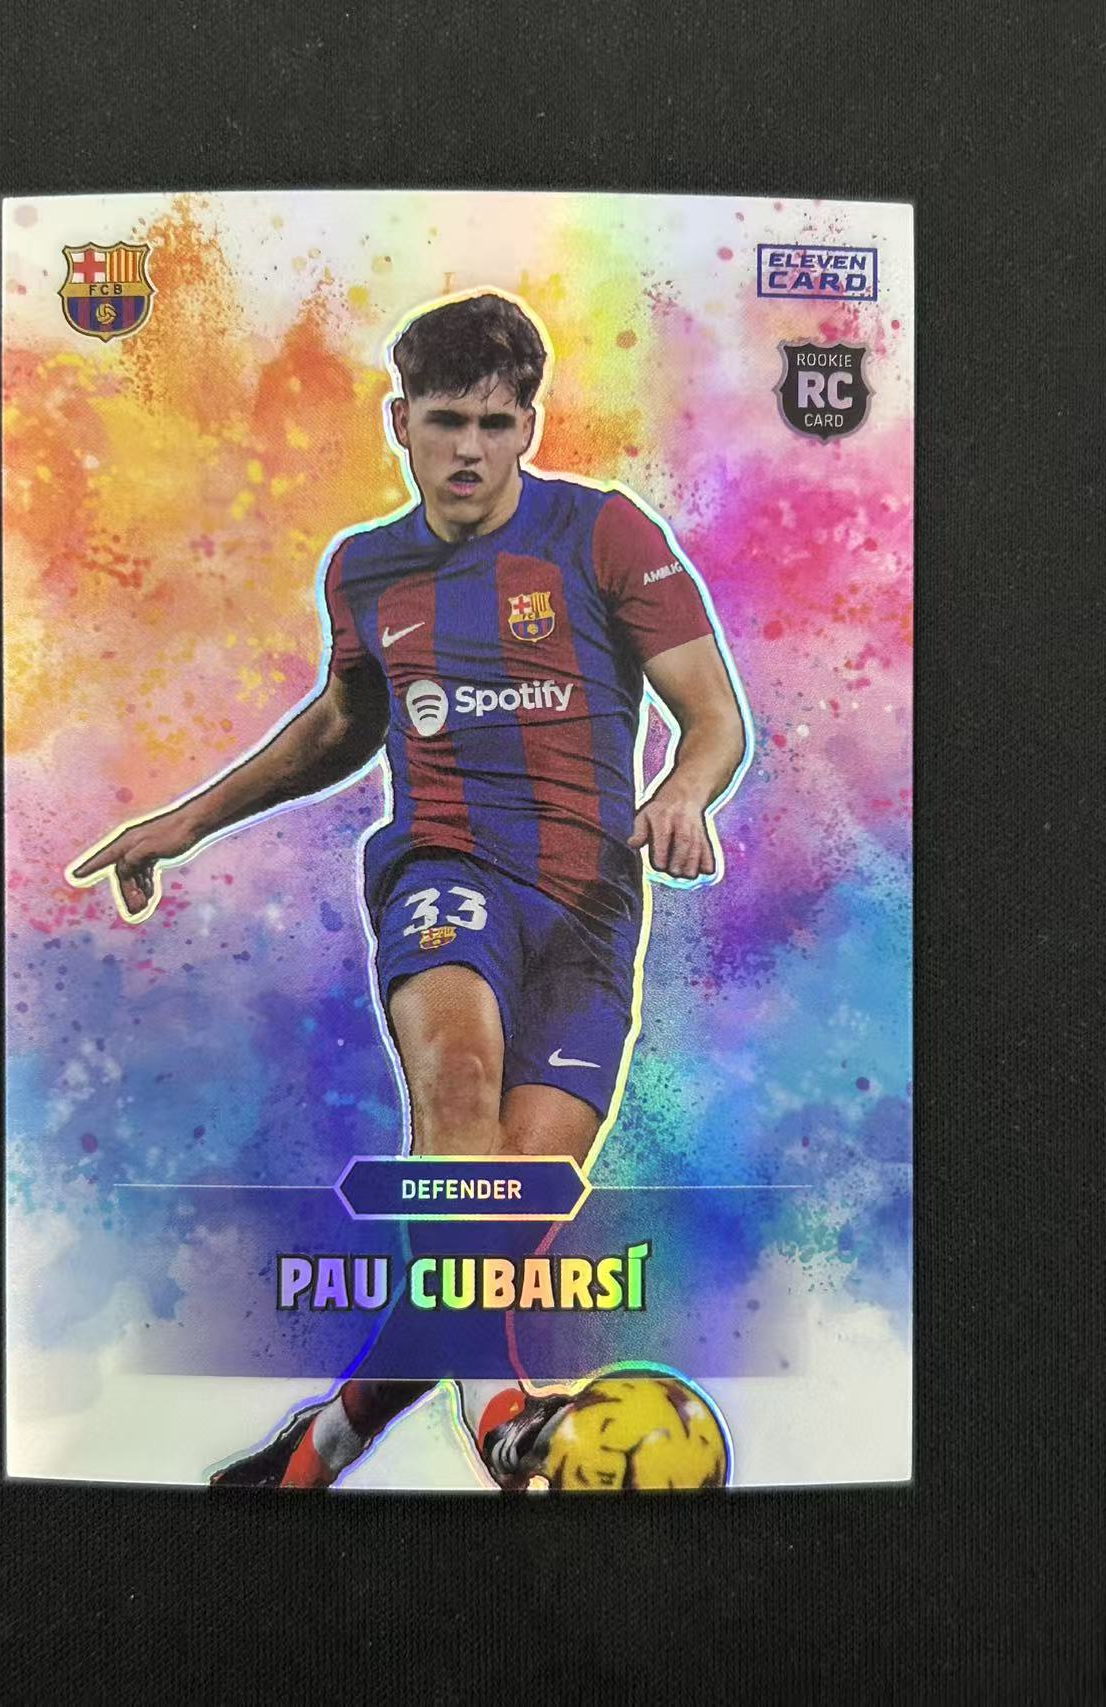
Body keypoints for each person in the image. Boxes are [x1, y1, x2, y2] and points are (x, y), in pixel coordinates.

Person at [69, 291, 748, 1489]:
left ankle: (320, 1443)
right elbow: (342, 724)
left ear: (528, 424)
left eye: (494, 422)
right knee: (456, 1080)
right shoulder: (362, 571)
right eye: (444, 421)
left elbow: (712, 715)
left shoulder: (602, 534)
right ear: (401, 423)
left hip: (590, 923)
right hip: (443, 870)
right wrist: (183, 821)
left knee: (492, 1226)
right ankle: (502, 1419)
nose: (469, 449)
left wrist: (684, 793)